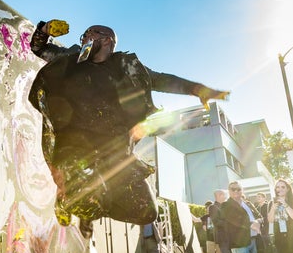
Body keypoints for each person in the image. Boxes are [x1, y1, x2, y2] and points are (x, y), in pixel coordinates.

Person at [28, 20, 229, 232]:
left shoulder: (127, 67)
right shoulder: (71, 58)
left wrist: (197, 89)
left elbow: (161, 80)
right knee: (86, 203)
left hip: (115, 151)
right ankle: (74, 199)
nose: (84, 38)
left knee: (146, 212)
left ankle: (89, 203)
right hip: (77, 148)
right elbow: (38, 48)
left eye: (90, 34)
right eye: (83, 35)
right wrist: (45, 29)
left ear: (107, 41)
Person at [211, 189, 238, 253]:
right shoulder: (213, 207)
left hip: (231, 237)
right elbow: (216, 222)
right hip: (223, 238)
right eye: (224, 195)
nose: (225, 196)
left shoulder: (226, 206)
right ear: (219, 195)